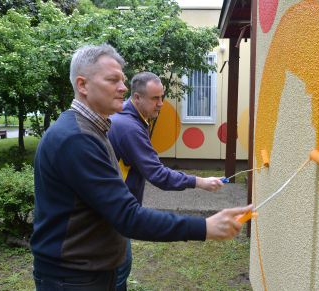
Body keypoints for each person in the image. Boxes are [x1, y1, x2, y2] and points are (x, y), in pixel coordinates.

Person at [30, 44, 252, 291]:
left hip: (91, 267)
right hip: (74, 277)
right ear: (83, 85)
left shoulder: (93, 128)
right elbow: (128, 215)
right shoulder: (78, 139)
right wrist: (205, 226)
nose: (123, 87)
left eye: (123, 80)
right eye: (113, 80)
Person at [108, 71, 226, 290]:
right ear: (136, 98)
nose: (161, 104)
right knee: (119, 269)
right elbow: (158, 175)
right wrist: (200, 182)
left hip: (113, 210)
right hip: (115, 213)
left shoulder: (129, 119)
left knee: (118, 268)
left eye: (161, 97)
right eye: (155, 98)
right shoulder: (130, 128)